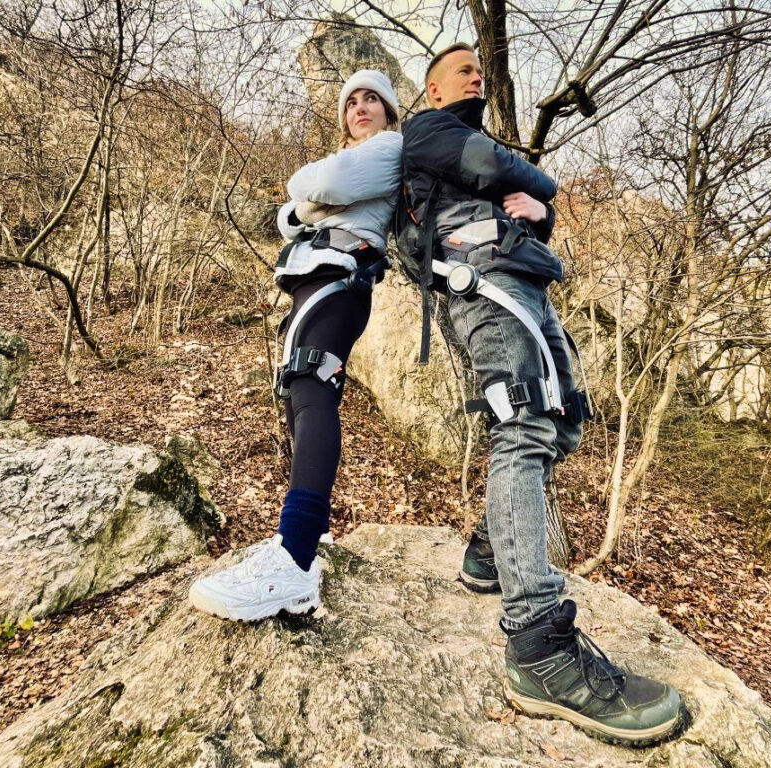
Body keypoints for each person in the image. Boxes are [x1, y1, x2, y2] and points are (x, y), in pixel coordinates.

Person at [399, 43, 684, 745]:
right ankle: (539, 652)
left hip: (520, 281)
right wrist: (539, 187)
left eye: (477, 70)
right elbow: (514, 178)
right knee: (523, 427)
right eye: (462, 70)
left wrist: (537, 206)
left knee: (564, 423)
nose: (477, 76)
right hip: (484, 287)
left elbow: (531, 208)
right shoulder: (430, 130)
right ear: (433, 91)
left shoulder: (461, 140)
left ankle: (489, 554)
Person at [189, 70, 403, 622]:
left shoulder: (388, 148)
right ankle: (313, 535)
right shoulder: (357, 159)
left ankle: (296, 554)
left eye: (372, 98)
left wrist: (309, 192)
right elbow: (289, 219)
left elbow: (317, 188)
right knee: (298, 395)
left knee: (312, 390)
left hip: (341, 279)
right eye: (351, 100)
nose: (360, 107)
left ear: (390, 110)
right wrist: (309, 201)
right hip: (316, 280)